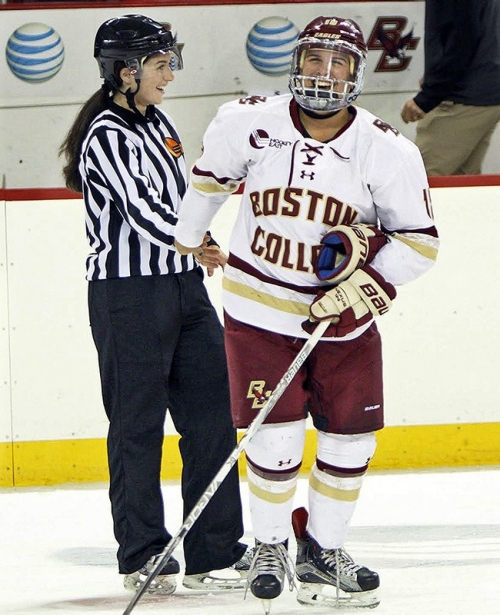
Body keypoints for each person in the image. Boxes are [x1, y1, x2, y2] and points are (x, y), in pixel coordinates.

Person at [174, 15, 439, 610]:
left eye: (339, 62)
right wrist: (190, 234)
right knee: (273, 438)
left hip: (343, 321)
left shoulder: (386, 150)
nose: (325, 73)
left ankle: (322, 551)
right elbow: (210, 184)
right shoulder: (247, 121)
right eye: (315, 59)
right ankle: (268, 547)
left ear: (357, 73)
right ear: (296, 63)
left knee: (350, 442)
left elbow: (420, 242)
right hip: (259, 312)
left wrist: (363, 288)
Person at [58, 14, 251, 595]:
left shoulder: (160, 121)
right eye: (160, 64)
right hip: (127, 296)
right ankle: (142, 551)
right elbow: (142, 212)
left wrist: (204, 241)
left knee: (214, 416)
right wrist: (196, 241)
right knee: (137, 426)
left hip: (183, 289)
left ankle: (215, 549)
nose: (170, 73)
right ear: (126, 70)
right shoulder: (105, 135)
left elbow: (180, 196)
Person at [401, 0, 500, 175]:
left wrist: (431, 94)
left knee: (421, 181)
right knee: (462, 184)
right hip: (485, 90)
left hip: (464, 96)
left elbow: (462, 38)